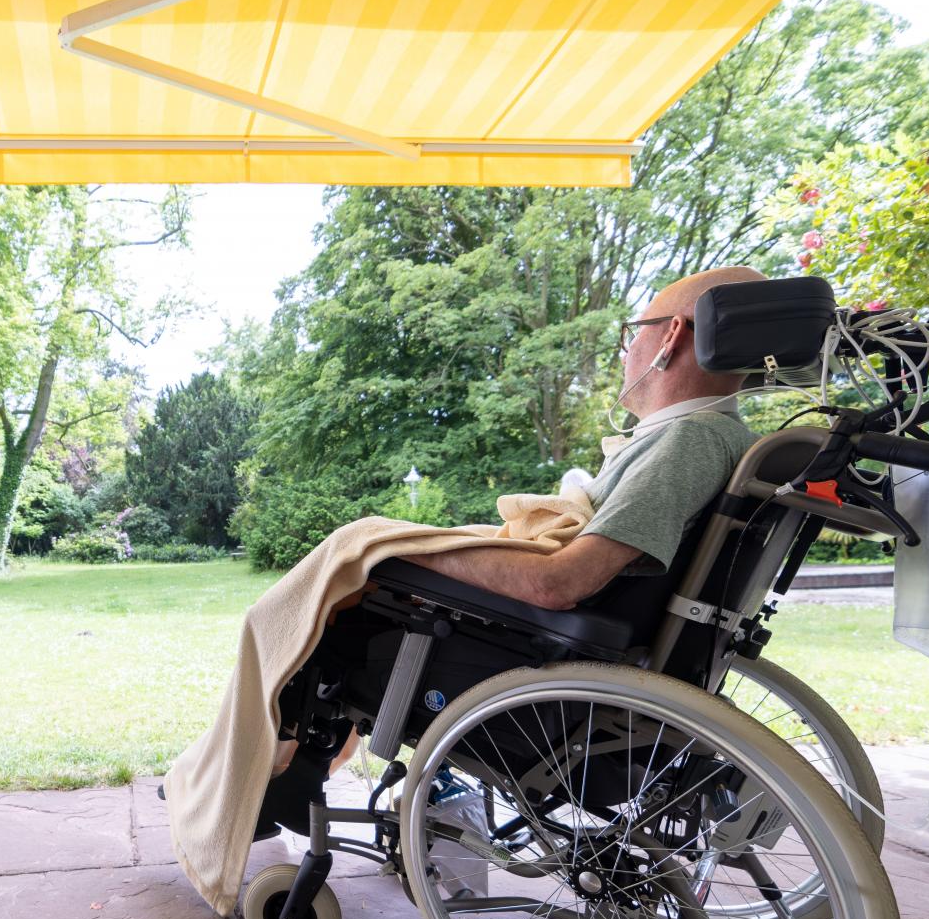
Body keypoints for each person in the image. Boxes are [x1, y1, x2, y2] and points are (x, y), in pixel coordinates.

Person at [263, 264, 768, 808]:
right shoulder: (715, 439)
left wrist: (395, 548)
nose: (627, 352)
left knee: (352, 579)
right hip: (578, 657)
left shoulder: (690, 442)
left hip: (554, 668)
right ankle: (284, 769)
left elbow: (562, 581)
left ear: (671, 334)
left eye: (634, 331)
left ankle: (275, 775)